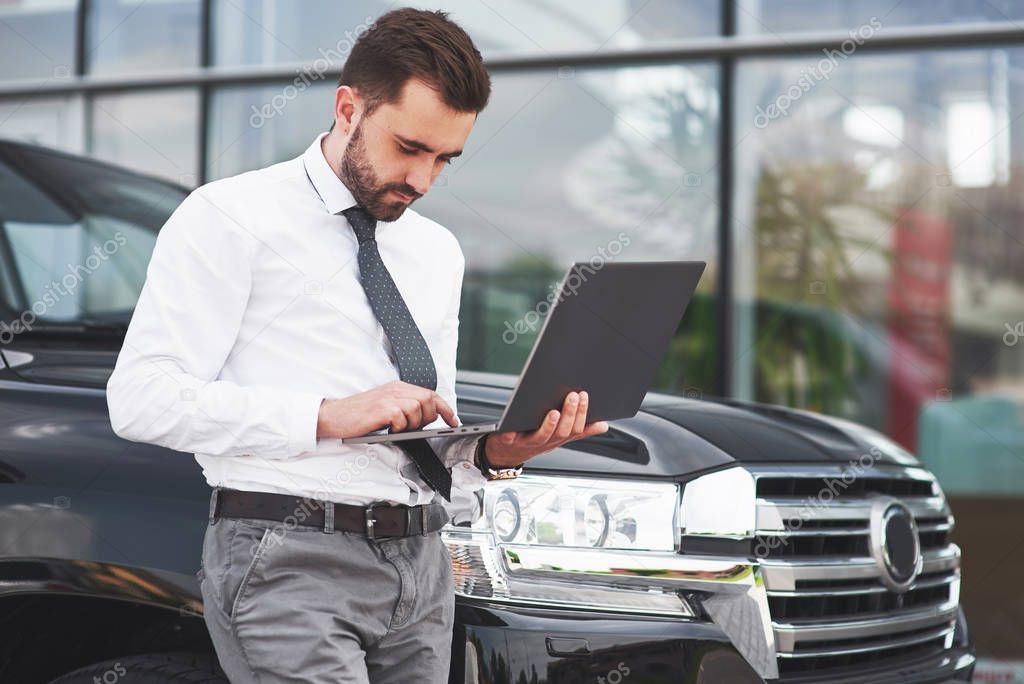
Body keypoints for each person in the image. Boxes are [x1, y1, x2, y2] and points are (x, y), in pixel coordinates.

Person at [105, 7, 608, 683]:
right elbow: (140, 400)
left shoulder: (435, 251)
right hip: (287, 559)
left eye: (444, 159)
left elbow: (425, 435)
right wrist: (326, 413)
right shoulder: (228, 218)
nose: (423, 181)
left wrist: (495, 454)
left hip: (423, 567)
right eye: (409, 148)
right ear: (349, 107)